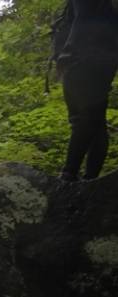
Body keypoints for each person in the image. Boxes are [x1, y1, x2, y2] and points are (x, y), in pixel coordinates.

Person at [57, 0, 118, 181]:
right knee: (95, 122)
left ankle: (69, 175)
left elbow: (83, 17)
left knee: (85, 119)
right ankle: (89, 181)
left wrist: (68, 49)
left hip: (84, 58)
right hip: (101, 59)